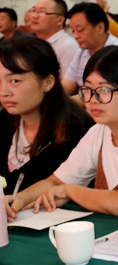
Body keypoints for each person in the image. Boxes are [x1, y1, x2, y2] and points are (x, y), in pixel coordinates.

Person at [7, 44, 118, 218]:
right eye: (88, 90)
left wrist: (68, 191)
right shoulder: (98, 132)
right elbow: (56, 181)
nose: (92, 100)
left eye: (104, 90)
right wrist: (18, 200)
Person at [0, 38, 93, 195]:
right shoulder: (6, 118)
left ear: (47, 82)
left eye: (14, 81)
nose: (4, 92)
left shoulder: (75, 129)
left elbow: (27, 184)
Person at [60, 3, 118, 96]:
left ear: (100, 27)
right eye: (73, 31)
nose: (75, 36)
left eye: (80, 30)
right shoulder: (80, 53)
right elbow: (66, 86)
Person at [29, 0, 79, 76]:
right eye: (33, 10)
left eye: (42, 12)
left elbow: (68, 82)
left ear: (60, 20)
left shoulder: (68, 46)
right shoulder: (32, 43)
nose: (34, 16)